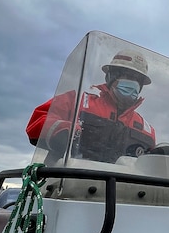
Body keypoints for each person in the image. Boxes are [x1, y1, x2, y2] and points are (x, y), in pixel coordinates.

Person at [26, 48, 156, 161]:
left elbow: (152, 163)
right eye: (126, 76)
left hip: (122, 188)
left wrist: (165, 154)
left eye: (137, 80)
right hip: (68, 182)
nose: (133, 83)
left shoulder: (147, 130)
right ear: (110, 77)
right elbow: (37, 120)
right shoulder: (75, 102)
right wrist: (60, 130)